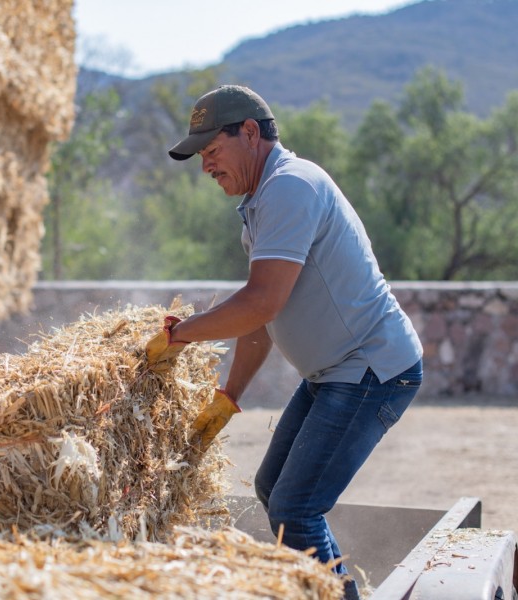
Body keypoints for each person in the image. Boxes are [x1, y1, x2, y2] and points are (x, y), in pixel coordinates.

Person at [145, 84, 423, 599]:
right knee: (274, 491)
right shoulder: (262, 202)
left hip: (370, 368)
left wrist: (180, 335)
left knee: (296, 507)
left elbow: (260, 303)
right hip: (336, 373)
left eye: (211, 151)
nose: (206, 166)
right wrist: (231, 396)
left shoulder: (292, 186)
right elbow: (260, 319)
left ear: (249, 133)